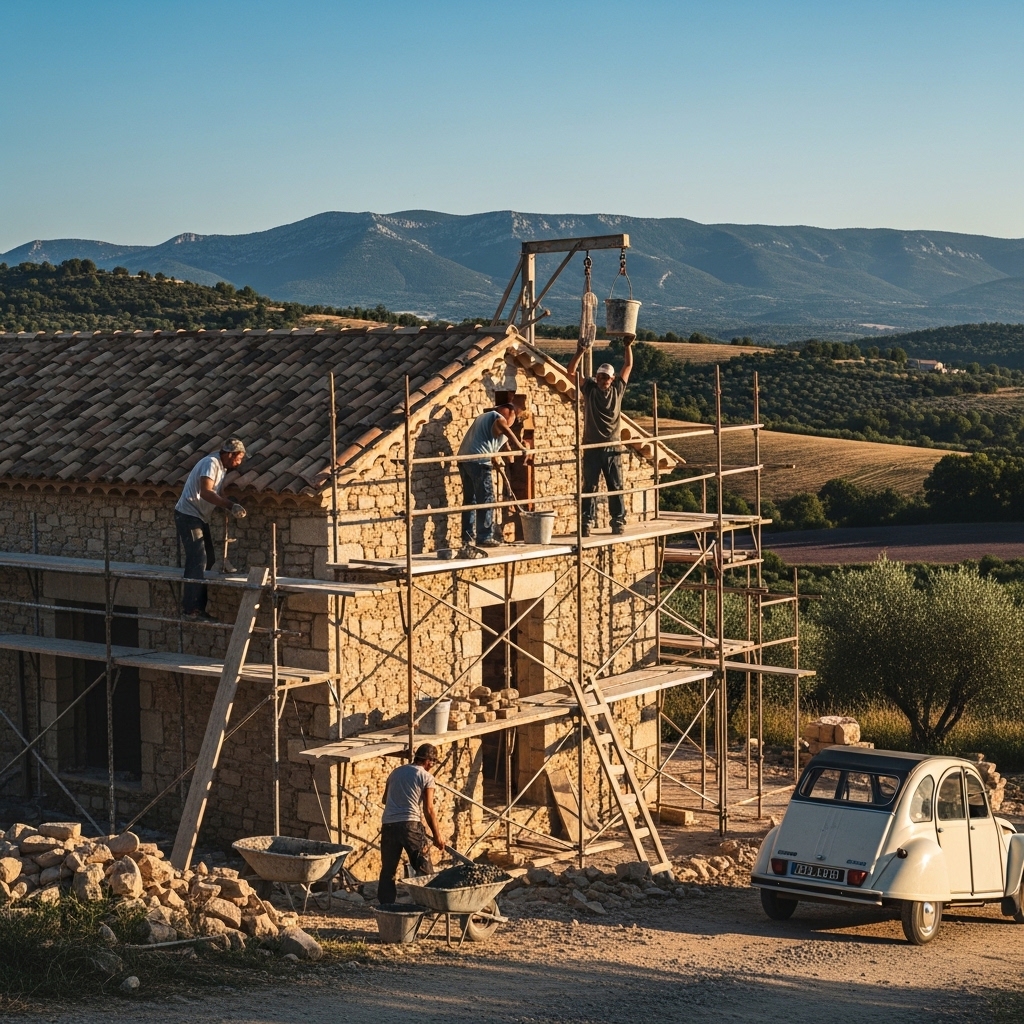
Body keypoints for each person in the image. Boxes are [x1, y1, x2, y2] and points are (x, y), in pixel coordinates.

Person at [566, 339, 634, 535]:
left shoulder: (618, 389)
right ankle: (586, 522)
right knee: (590, 486)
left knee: (616, 485)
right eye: (600, 377)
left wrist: (628, 346)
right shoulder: (589, 389)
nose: (603, 381)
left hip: (612, 446)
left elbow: (628, 365)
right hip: (592, 446)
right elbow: (570, 372)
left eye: (606, 378)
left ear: (612, 379)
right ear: (596, 378)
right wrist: (580, 352)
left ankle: (618, 521)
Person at [174, 439, 247, 619]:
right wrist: (229, 505)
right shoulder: (211, 463)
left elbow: (218, 493)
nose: (239, 462)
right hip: (188, 515)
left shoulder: (221, 468)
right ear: (229, 454)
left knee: (209, 558)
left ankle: (198, 607)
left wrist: (230, 505)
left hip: (199, 517)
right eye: (238, 458)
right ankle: (191, 609)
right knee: (198, 558)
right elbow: (206, 492)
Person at [456, 402, 529, 557]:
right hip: (479, 461)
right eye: (515, 418)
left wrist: (499, 458)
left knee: (470, 500)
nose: (513, 422)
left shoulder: (484, 418)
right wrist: (521, 448)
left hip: (464, 460)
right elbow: (505, 429)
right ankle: (485, 536)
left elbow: (494, 442)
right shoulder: (498, 418)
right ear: (509, 413)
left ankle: (467, 537)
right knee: (486, 499)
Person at [377, 743, 447, 905]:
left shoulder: (395, 772)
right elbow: (429, 809)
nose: (432, 766)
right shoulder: (426, 777)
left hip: (389, 825)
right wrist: (437, 836)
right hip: (410, 825)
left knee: (388, 870)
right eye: (433, 762)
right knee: (423, 867)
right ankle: (428, 904)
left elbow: (385, 800)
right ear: (429, 761)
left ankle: (386, 906)